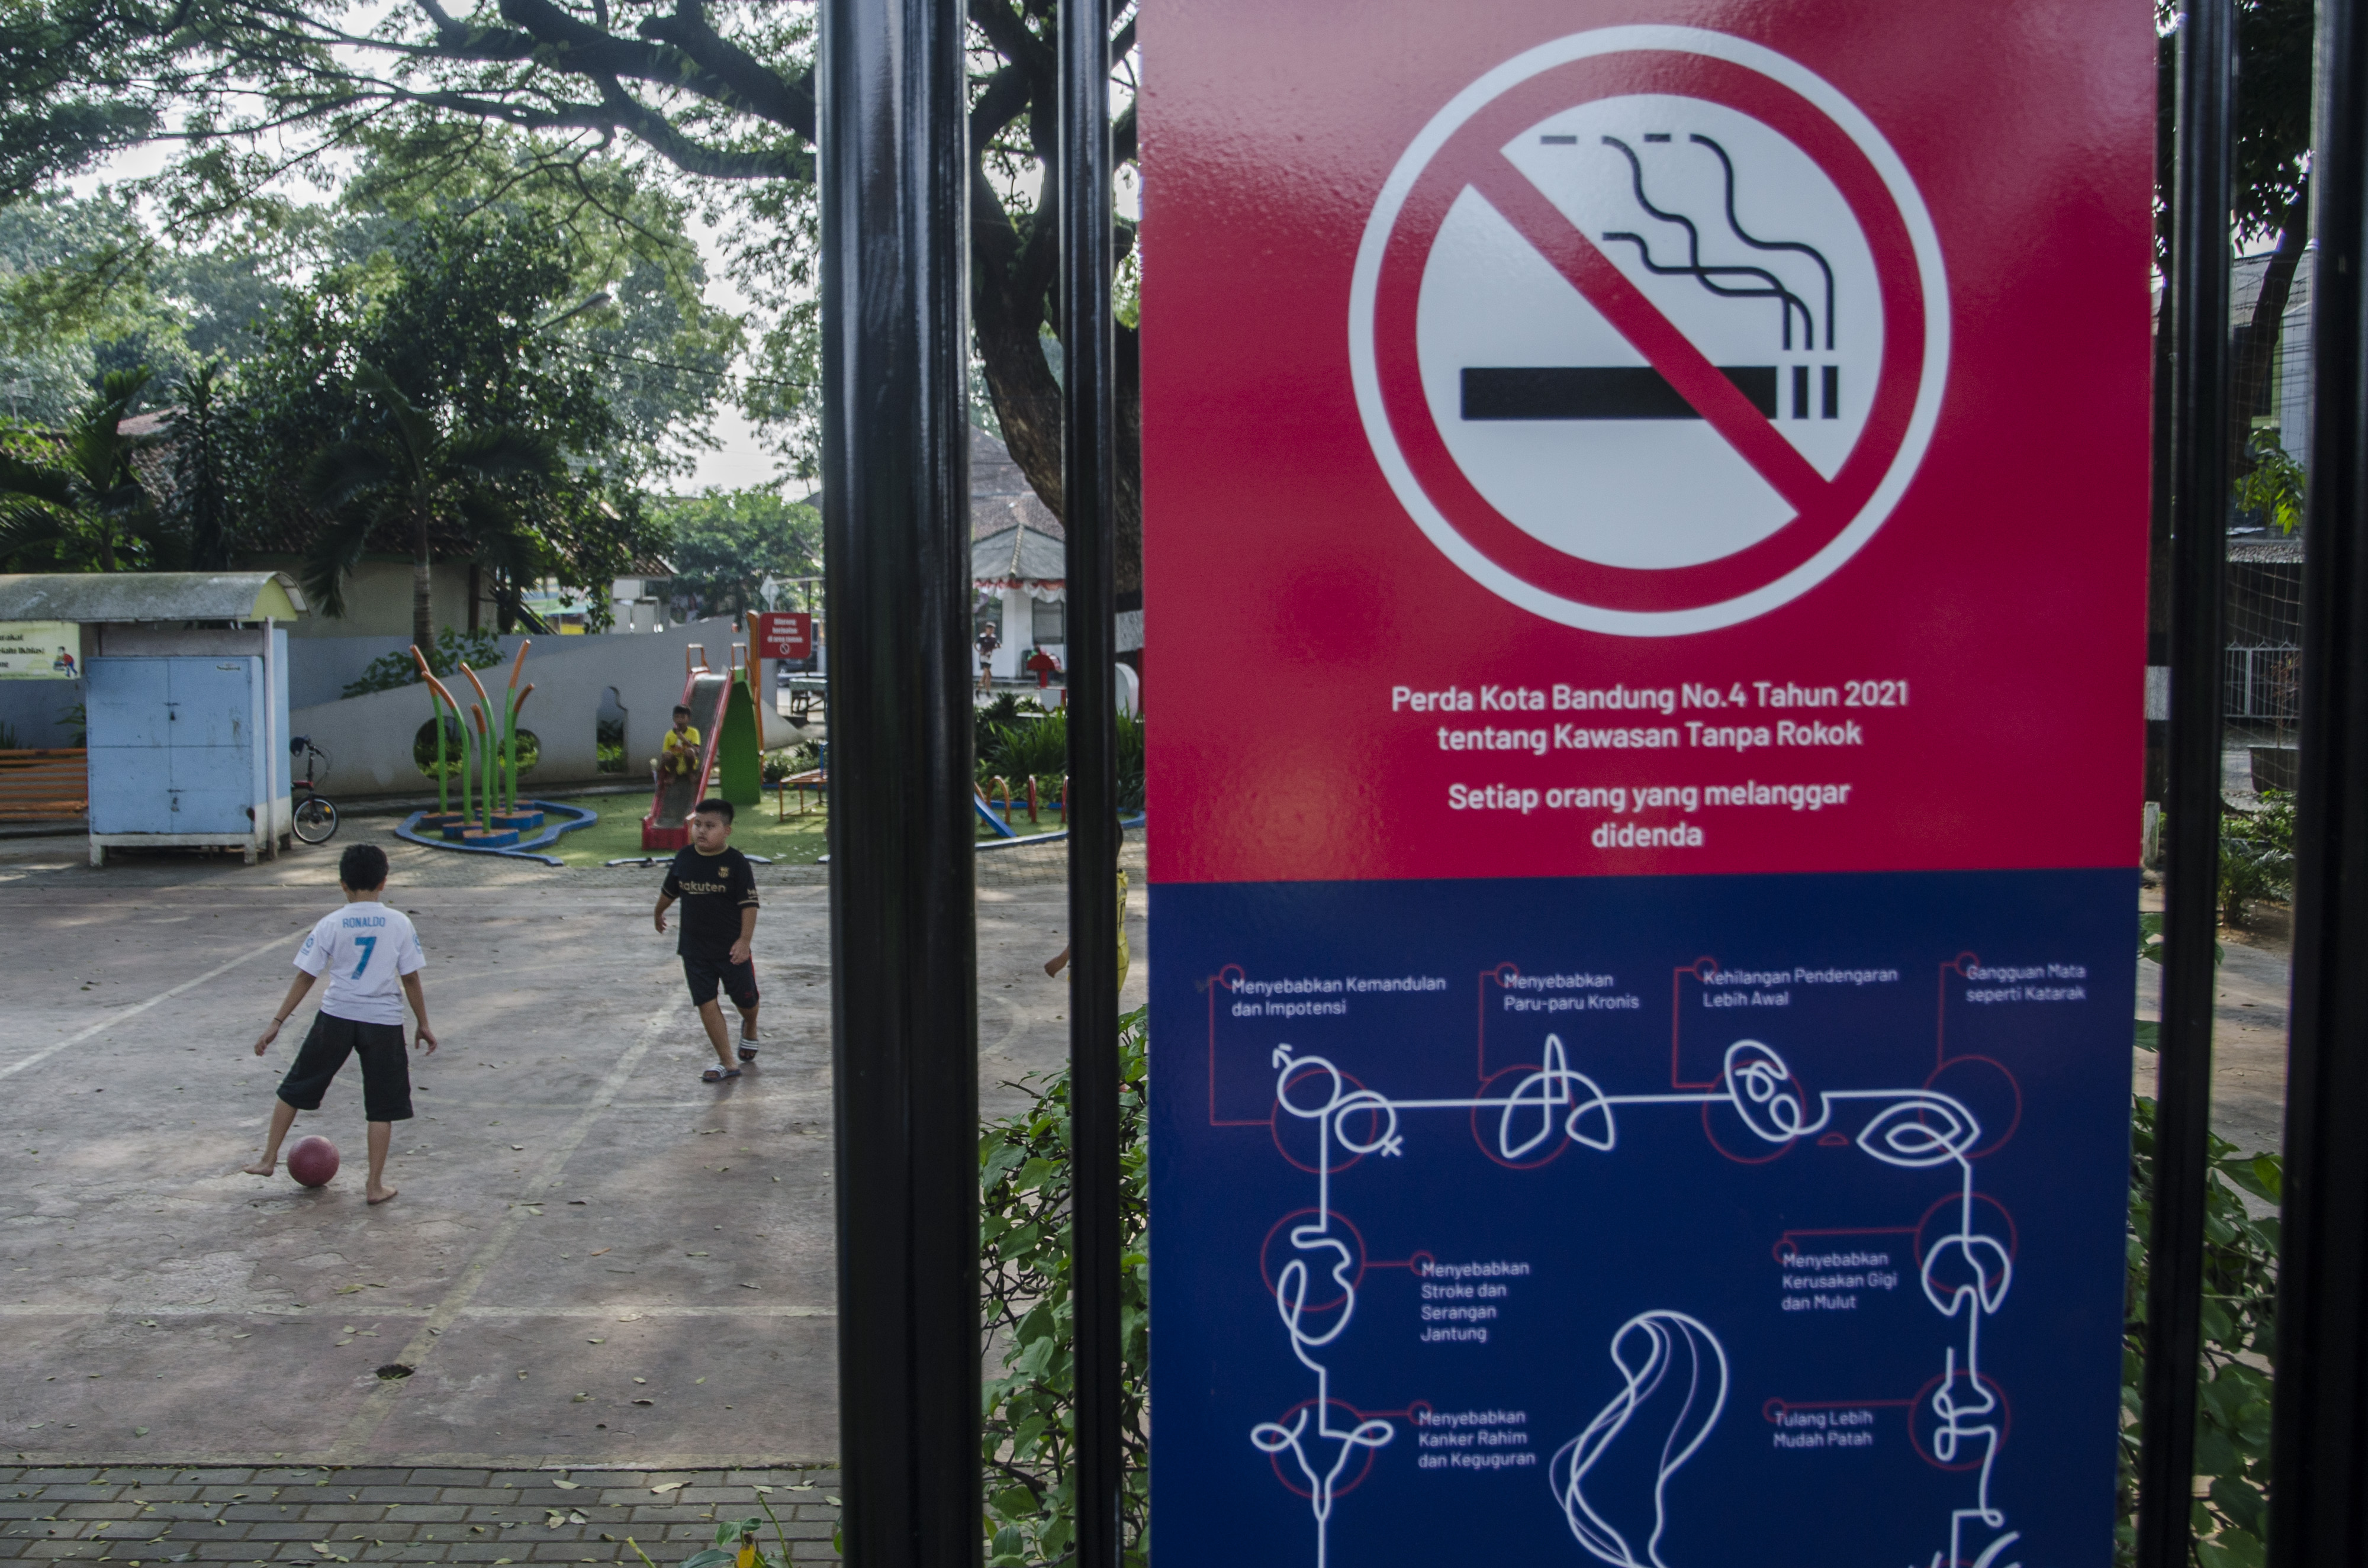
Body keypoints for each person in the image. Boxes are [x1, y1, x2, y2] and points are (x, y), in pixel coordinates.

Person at [243, 842, 437, 1205]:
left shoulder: (331, 923)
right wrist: (423, 1023)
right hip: (383, 1022)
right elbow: (410, 979)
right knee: (381, 1105)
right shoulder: (399, 922)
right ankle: (374, 1185)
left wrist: (276, 1022)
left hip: (336, 1016)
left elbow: (306, 977)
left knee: (296, 1085)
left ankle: (268, 1158)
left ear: (342, 884)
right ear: (384, 882)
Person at [655, 797, 761, 1084]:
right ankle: (728, 1061)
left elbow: (749, 905)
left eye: (710, 826)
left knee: (745, 1000)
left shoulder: (736, 864)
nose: (701, 831)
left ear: (727, 830)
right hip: (694, 948)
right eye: (697, 825)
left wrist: (744, 941)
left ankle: (750, 1025)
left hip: (730, 949)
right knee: (705, 1000)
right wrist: (659, 911)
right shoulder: (685, 858)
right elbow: (671, 890)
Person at [652, 704, 703, 787]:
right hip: (674, 763)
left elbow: (697, 751)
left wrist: (684, 740)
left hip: (688, 762)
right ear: (674, 719)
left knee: (690, 751)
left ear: (689, 719)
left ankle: (690, 772)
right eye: (677, 717)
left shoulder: (694, 732)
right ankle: (673, 773)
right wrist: (660, 769)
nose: (679, 720)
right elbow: (664, 754)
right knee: (668, 754)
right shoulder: (669, 734)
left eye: (683, 717)